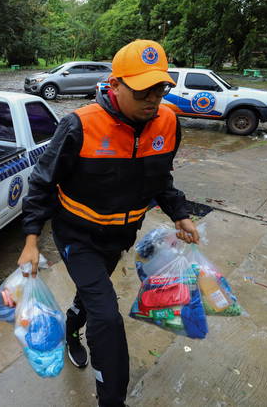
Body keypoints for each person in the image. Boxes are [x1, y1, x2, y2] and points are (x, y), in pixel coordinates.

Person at [17, 39, 199, 407]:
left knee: (90, 299)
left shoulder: (167, 122)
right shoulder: (80, 125)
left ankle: (71, 329)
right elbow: (42, 182)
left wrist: (179, 212)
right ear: (115, 85)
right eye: (142, 90)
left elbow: (160, 178)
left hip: (119, 237)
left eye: (160, 89)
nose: (153, 99)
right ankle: (111, 399)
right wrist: (31, 240)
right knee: (107, 318)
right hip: (77, 236)